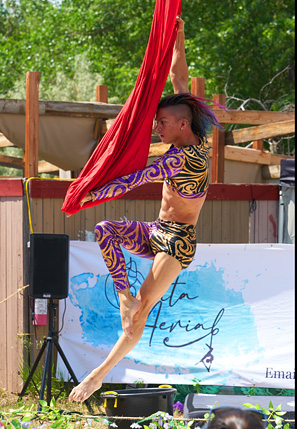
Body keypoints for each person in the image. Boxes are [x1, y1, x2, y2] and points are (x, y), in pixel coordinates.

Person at [68, 17, 221, 403]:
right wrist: (179, 37)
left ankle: (98, 375)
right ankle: (124, 296)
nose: (156, 127)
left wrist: (92, 191)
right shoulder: (196, 132)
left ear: (182, 125)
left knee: (141, 315)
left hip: (177, 243)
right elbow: (180, 81)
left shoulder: (185, 157)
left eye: (162, 122)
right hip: (157, 228)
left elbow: (133, 180)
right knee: (105, 230)